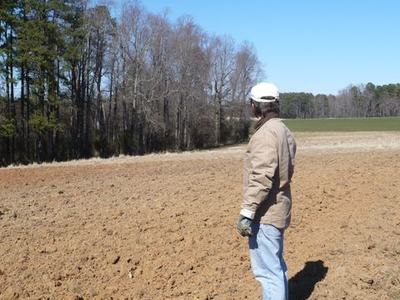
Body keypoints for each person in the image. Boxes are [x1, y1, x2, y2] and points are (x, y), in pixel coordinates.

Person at [236, 82, 296, 300]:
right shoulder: (283, 130)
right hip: (279, 209)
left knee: (268, 273)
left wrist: (247, 212)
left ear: (255, 105)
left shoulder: (264, 134)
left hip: (265, 214)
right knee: (276, 269)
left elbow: (262, 178)